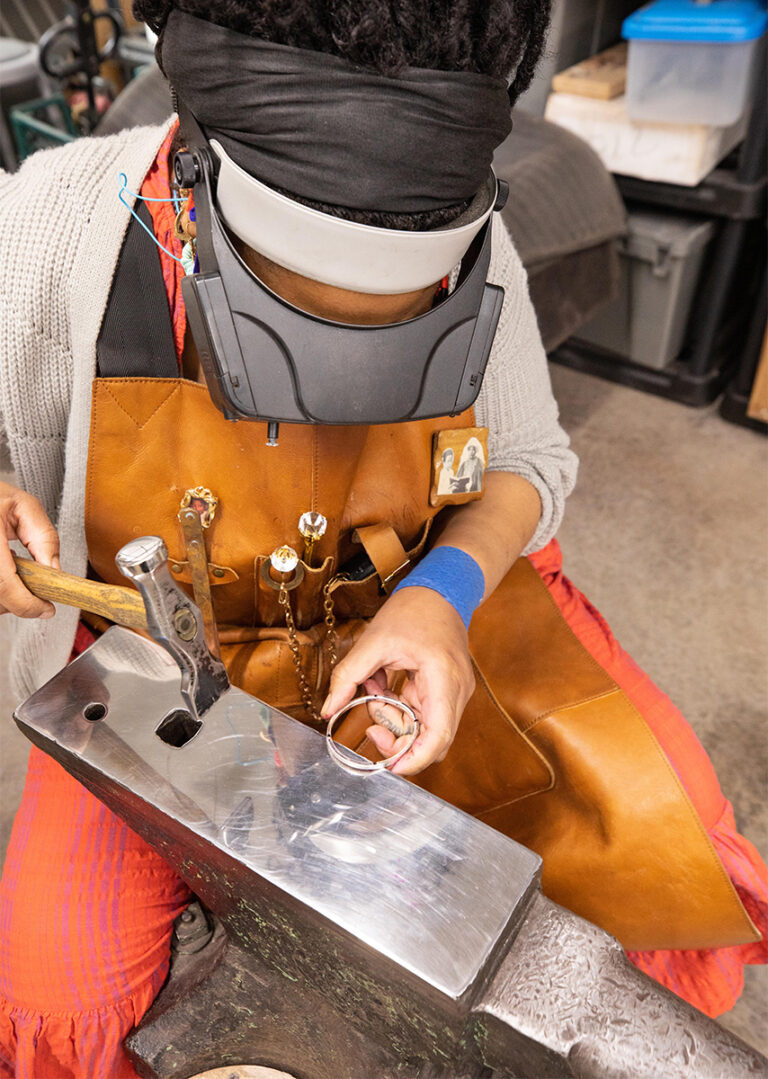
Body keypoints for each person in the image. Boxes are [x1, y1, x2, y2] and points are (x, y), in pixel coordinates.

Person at [0, 2, 766, 1075]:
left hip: (413, 606)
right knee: (55, 991)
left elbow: (528, 466)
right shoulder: (45, 229)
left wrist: (444, 593)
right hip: (161, 670)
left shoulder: (477, 238)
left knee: (656, 845)